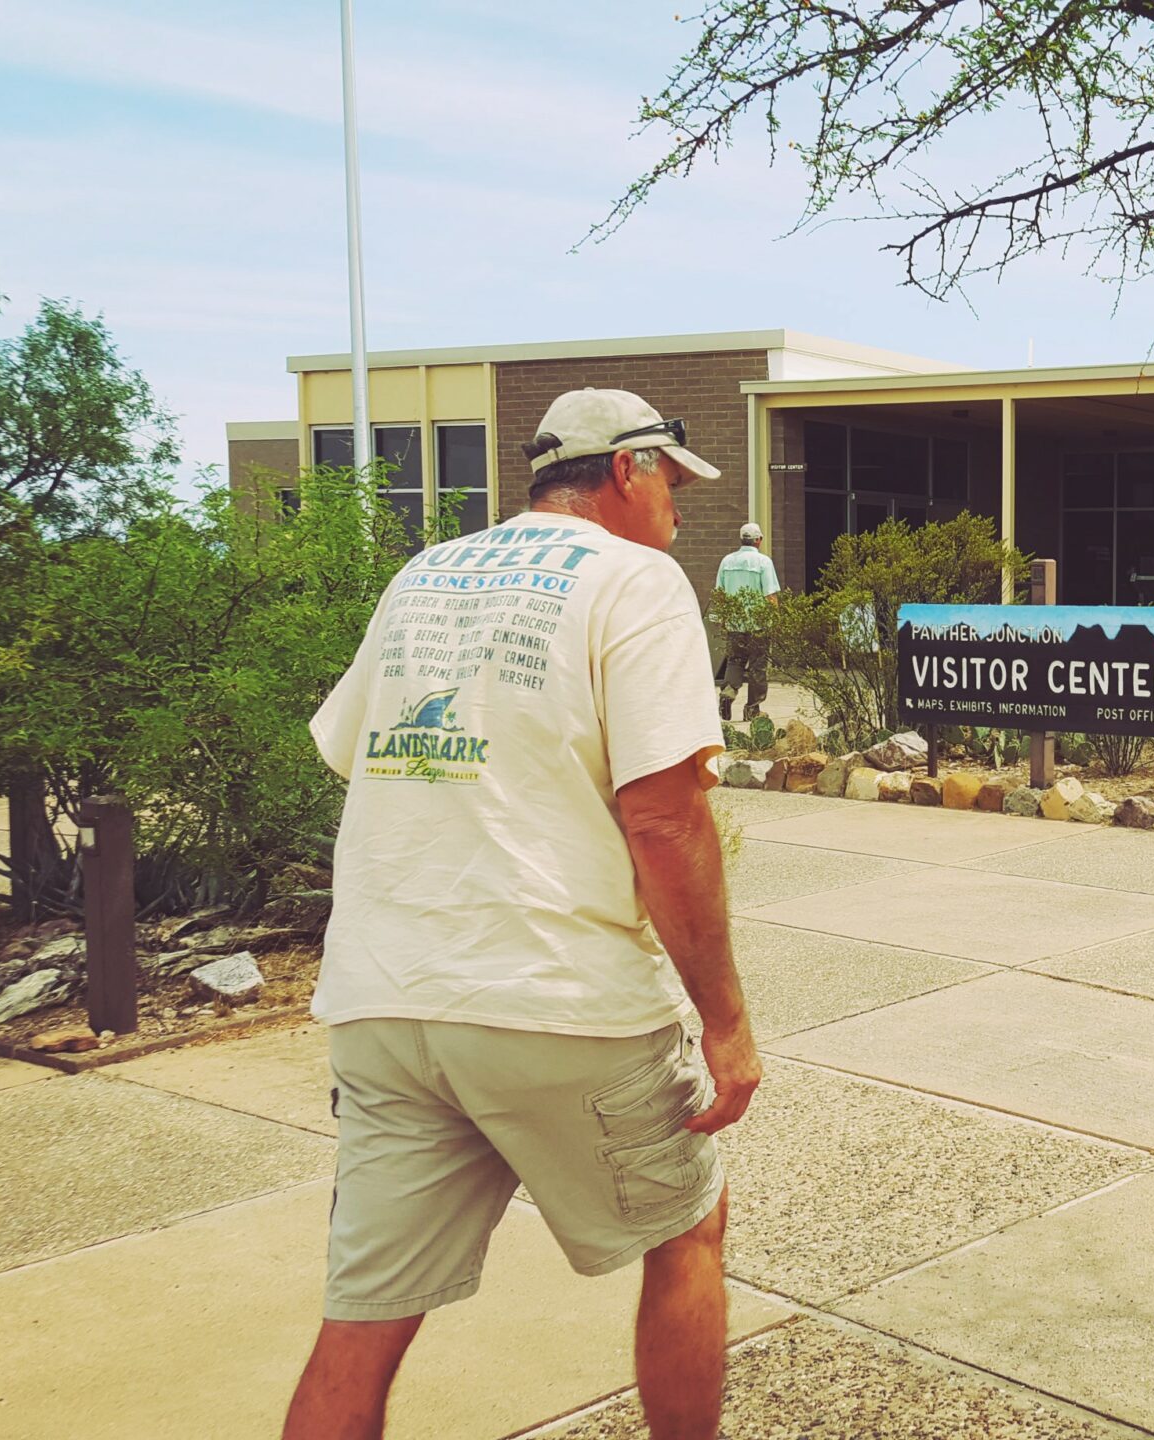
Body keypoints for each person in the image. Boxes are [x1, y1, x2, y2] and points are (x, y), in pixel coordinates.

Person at [285, 388, 759, 1440]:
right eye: (674, 482)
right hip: (558, 999)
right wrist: (724, 1022)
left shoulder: (424, 573)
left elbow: (352, 750)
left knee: (363, 1318)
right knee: (688, 1229)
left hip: (383, 1002)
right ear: (628, 471)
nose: (681, 507)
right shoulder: (639, 582)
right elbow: (665, 816)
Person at [714, 521, 782, 723]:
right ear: (758, 540)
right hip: (759, 624)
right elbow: (770, 595)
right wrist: (776, 620)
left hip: (735, 623)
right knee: (758, 666)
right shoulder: (763, 562)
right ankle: (752, 709)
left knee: (735, 661)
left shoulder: (726, 561)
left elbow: (720, 594)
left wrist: (723, 619)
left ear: (741, 539)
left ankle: (727, 694)